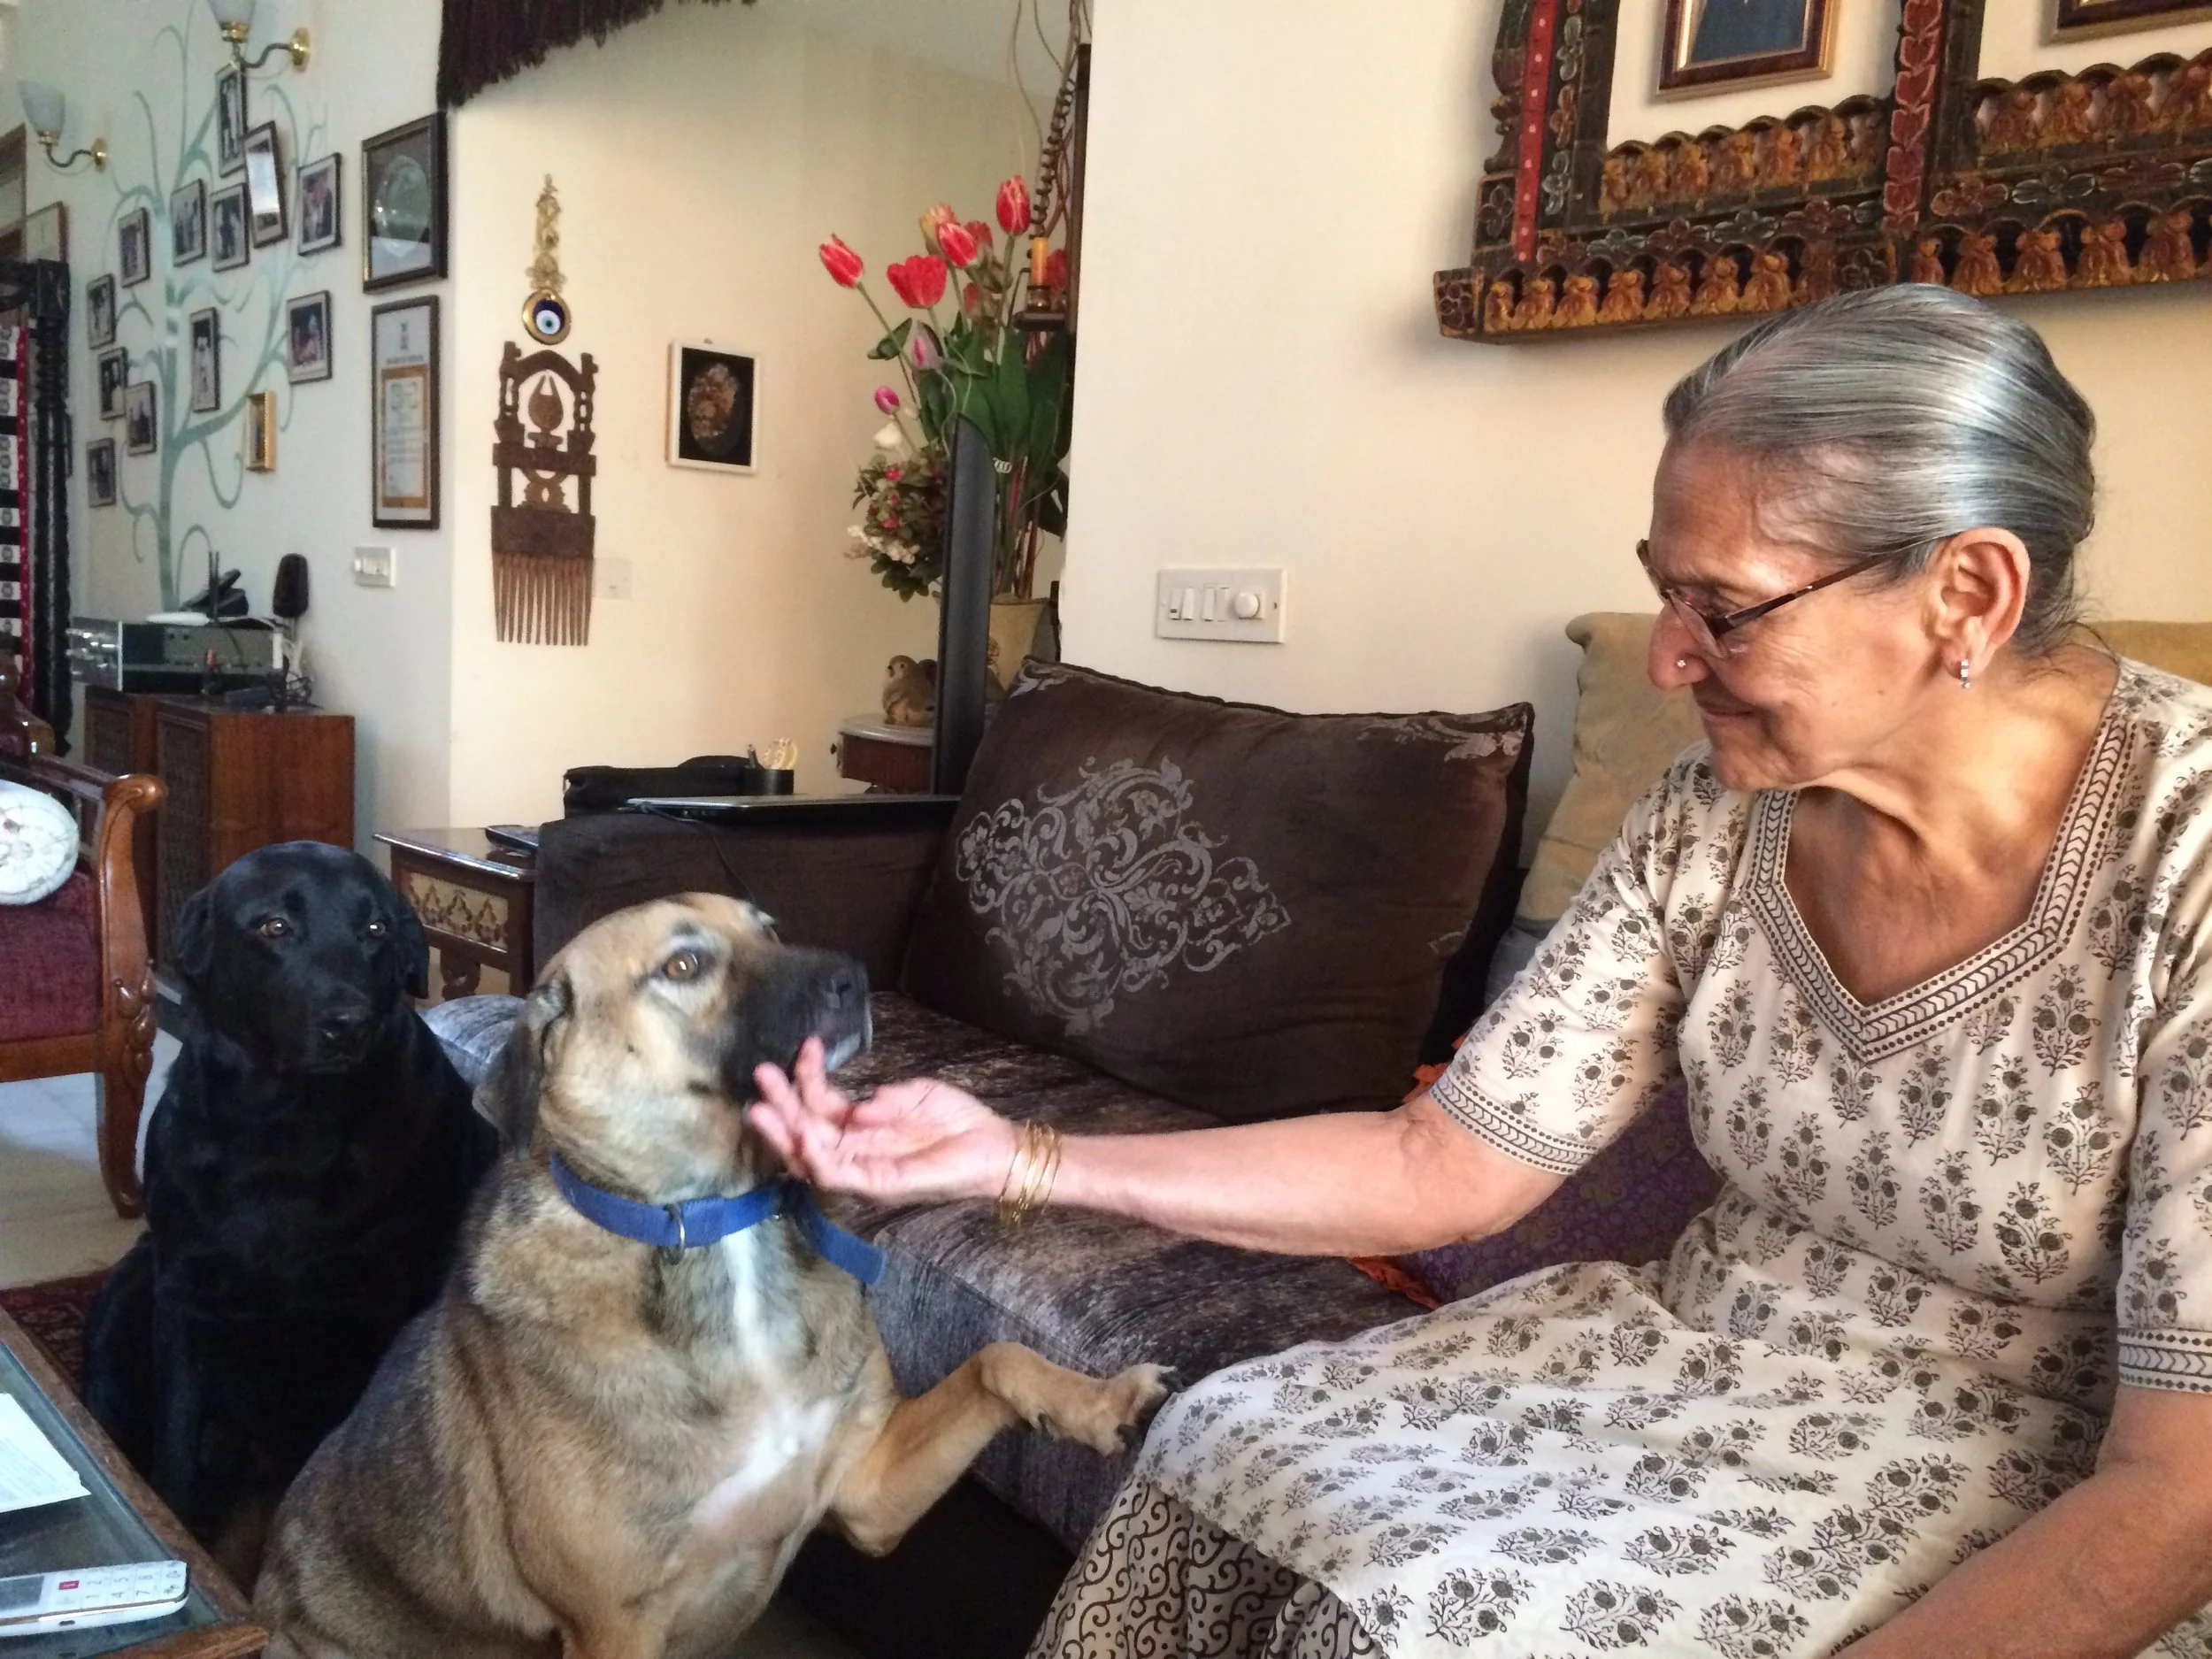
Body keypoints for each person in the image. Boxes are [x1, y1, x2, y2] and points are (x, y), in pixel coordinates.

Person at [757, 286, 2212, 1657]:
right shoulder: (1718, 812)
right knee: (1229, 1448)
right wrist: (1022, 1153)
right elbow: (1441, 1160)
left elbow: (2176, 1491)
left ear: (1968, 590)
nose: (1670, 659)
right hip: (1698, 1356)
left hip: (2020, 1457)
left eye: (1728, 605)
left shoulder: (2188, 854)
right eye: (1664, 593)